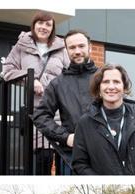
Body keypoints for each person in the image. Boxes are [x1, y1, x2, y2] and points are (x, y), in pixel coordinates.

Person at [1, 11, 70, 175]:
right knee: (43, 156)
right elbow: (7, 71)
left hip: (60, 108)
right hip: (37, 109)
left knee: (61, 157)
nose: (44, 27)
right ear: (34, 25)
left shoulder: (61, 48)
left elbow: (73, 73)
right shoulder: (21, 46)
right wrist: (30, 81)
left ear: (52, 28)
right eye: (40, 23)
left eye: (48, 24)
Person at [72, 64, 135, 175]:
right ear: (99, 88)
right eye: (106, 82)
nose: (111, 87)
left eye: (116, 82)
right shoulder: (85, 123)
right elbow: (80, 164)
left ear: (124, 88)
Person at [33, 29, 98, 174]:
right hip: (72, 157)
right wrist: (65, 137)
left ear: (90, 47)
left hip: (105, 153)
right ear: (67, 51)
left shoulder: (105, 78)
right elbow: (40, 116)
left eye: (81, 46)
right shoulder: (58, 84)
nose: (77, 51)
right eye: (72, 47)